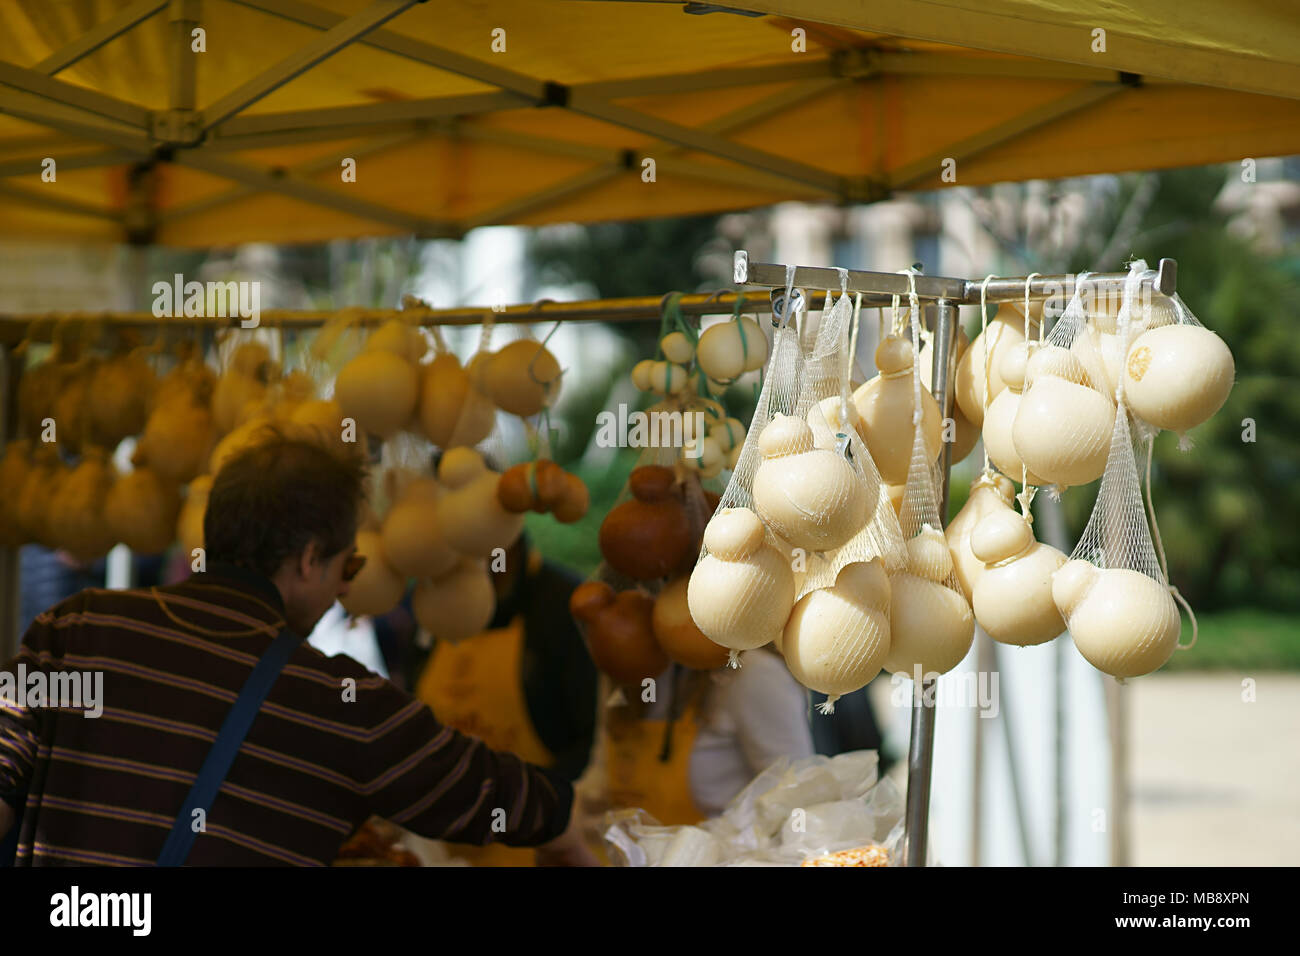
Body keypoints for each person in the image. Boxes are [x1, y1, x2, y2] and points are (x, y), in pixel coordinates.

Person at [0, 430, 595, 867]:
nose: (346, 588)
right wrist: (564, 828)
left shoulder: (73, 629)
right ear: (310, 559)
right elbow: (486, 788)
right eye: (349, 565)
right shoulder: (342, 705)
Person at [406, 533, 599, 865]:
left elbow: (590, 742)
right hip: (445, 845)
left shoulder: (562, 603)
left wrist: (523, 802)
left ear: (512, 540)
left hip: (535, 842)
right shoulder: (436, 603)